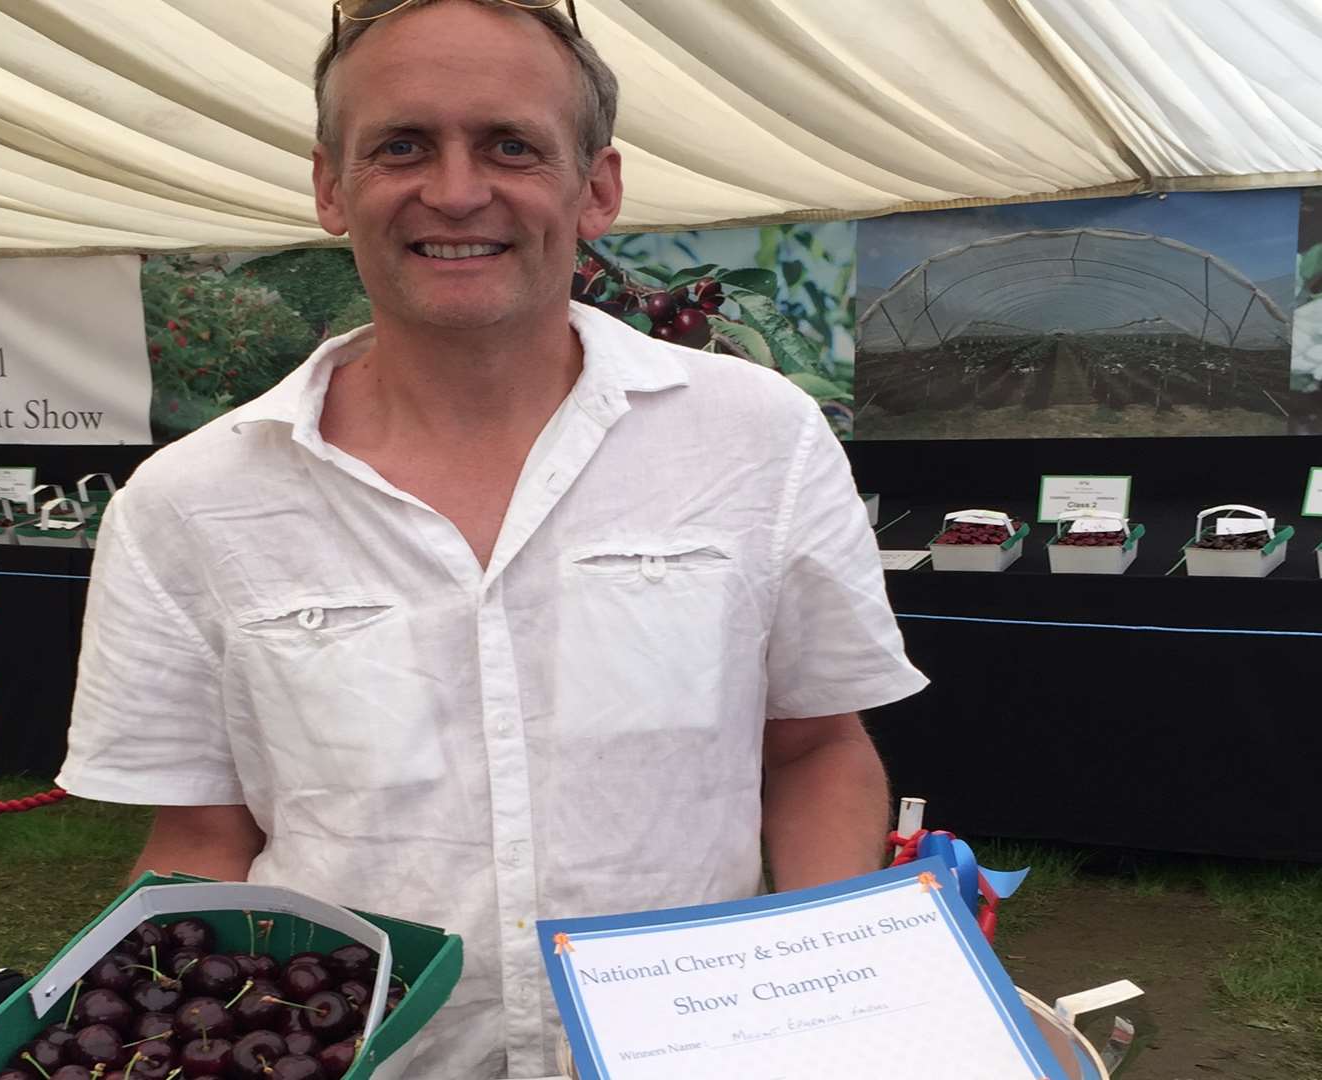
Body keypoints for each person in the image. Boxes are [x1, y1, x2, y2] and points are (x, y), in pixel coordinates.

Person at [57, 1, 928, 1075]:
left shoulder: (754, 435)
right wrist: (149, 1042)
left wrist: (827, 995)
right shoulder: (191, 501)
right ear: (332, 185)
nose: (457, 190)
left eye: (510, 144)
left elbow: (815, 747)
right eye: (402, 145)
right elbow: (202, 842)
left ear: (596, 187)